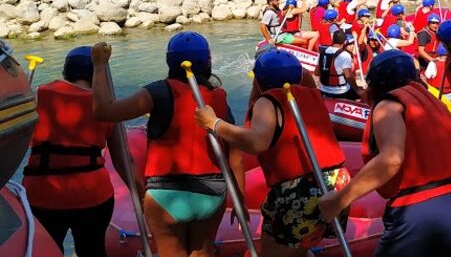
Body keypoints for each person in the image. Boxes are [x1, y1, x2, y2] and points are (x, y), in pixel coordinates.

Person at [317, 50, 451, 257]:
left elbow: (392, 159)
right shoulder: (433, 103)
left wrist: (339, 201)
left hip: (424, 209)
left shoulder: (389, 105)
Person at [195, 50, 349, 257]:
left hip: (300, 190)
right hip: (337, 182)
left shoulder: (267, 102)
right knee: (298, 247)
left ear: (258, 80)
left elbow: (257, 143)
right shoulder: (313, 94)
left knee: (273, 251)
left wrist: (214, 123)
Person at [91, 32, 232, 257]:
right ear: (207, 61)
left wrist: (99, 65)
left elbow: (103, 111)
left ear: (169, 61)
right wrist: (240, 199)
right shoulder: (218, 96)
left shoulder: (157, 92)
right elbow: (233, 153)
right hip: (212, 190)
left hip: (166, 193)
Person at [22, 47, 131, 257]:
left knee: (48, 251)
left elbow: (17, 141)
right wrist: (141, 193)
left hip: (42, 195)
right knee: (92, 250)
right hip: (93, 196)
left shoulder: (37, 96)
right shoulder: (107, 107)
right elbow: (123, 160)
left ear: (66, 72)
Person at [317, 30, 363, 100]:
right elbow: (348, 76)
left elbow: (316, 72)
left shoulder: (322, 52)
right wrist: (357, 90)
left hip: (324, 90)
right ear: (344, 42)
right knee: (361, 92)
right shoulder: (345, 55)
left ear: (332, 40)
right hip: (341, 92)